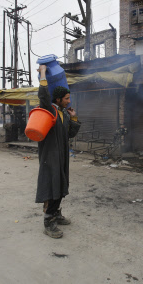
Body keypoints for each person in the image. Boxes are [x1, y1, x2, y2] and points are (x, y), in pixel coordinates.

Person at [36, 65, 81, 239]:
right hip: (50, 156)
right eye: (67, 98)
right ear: (58, 98)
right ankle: (49, 221)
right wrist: (42, 73)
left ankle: (57, 213)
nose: (69, 101)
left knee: (61, 184)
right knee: (52, 186)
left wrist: (74, 117)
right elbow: (43, 95)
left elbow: (70, 134)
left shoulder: (64, 113)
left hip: (62, 156)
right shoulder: (50, 110)